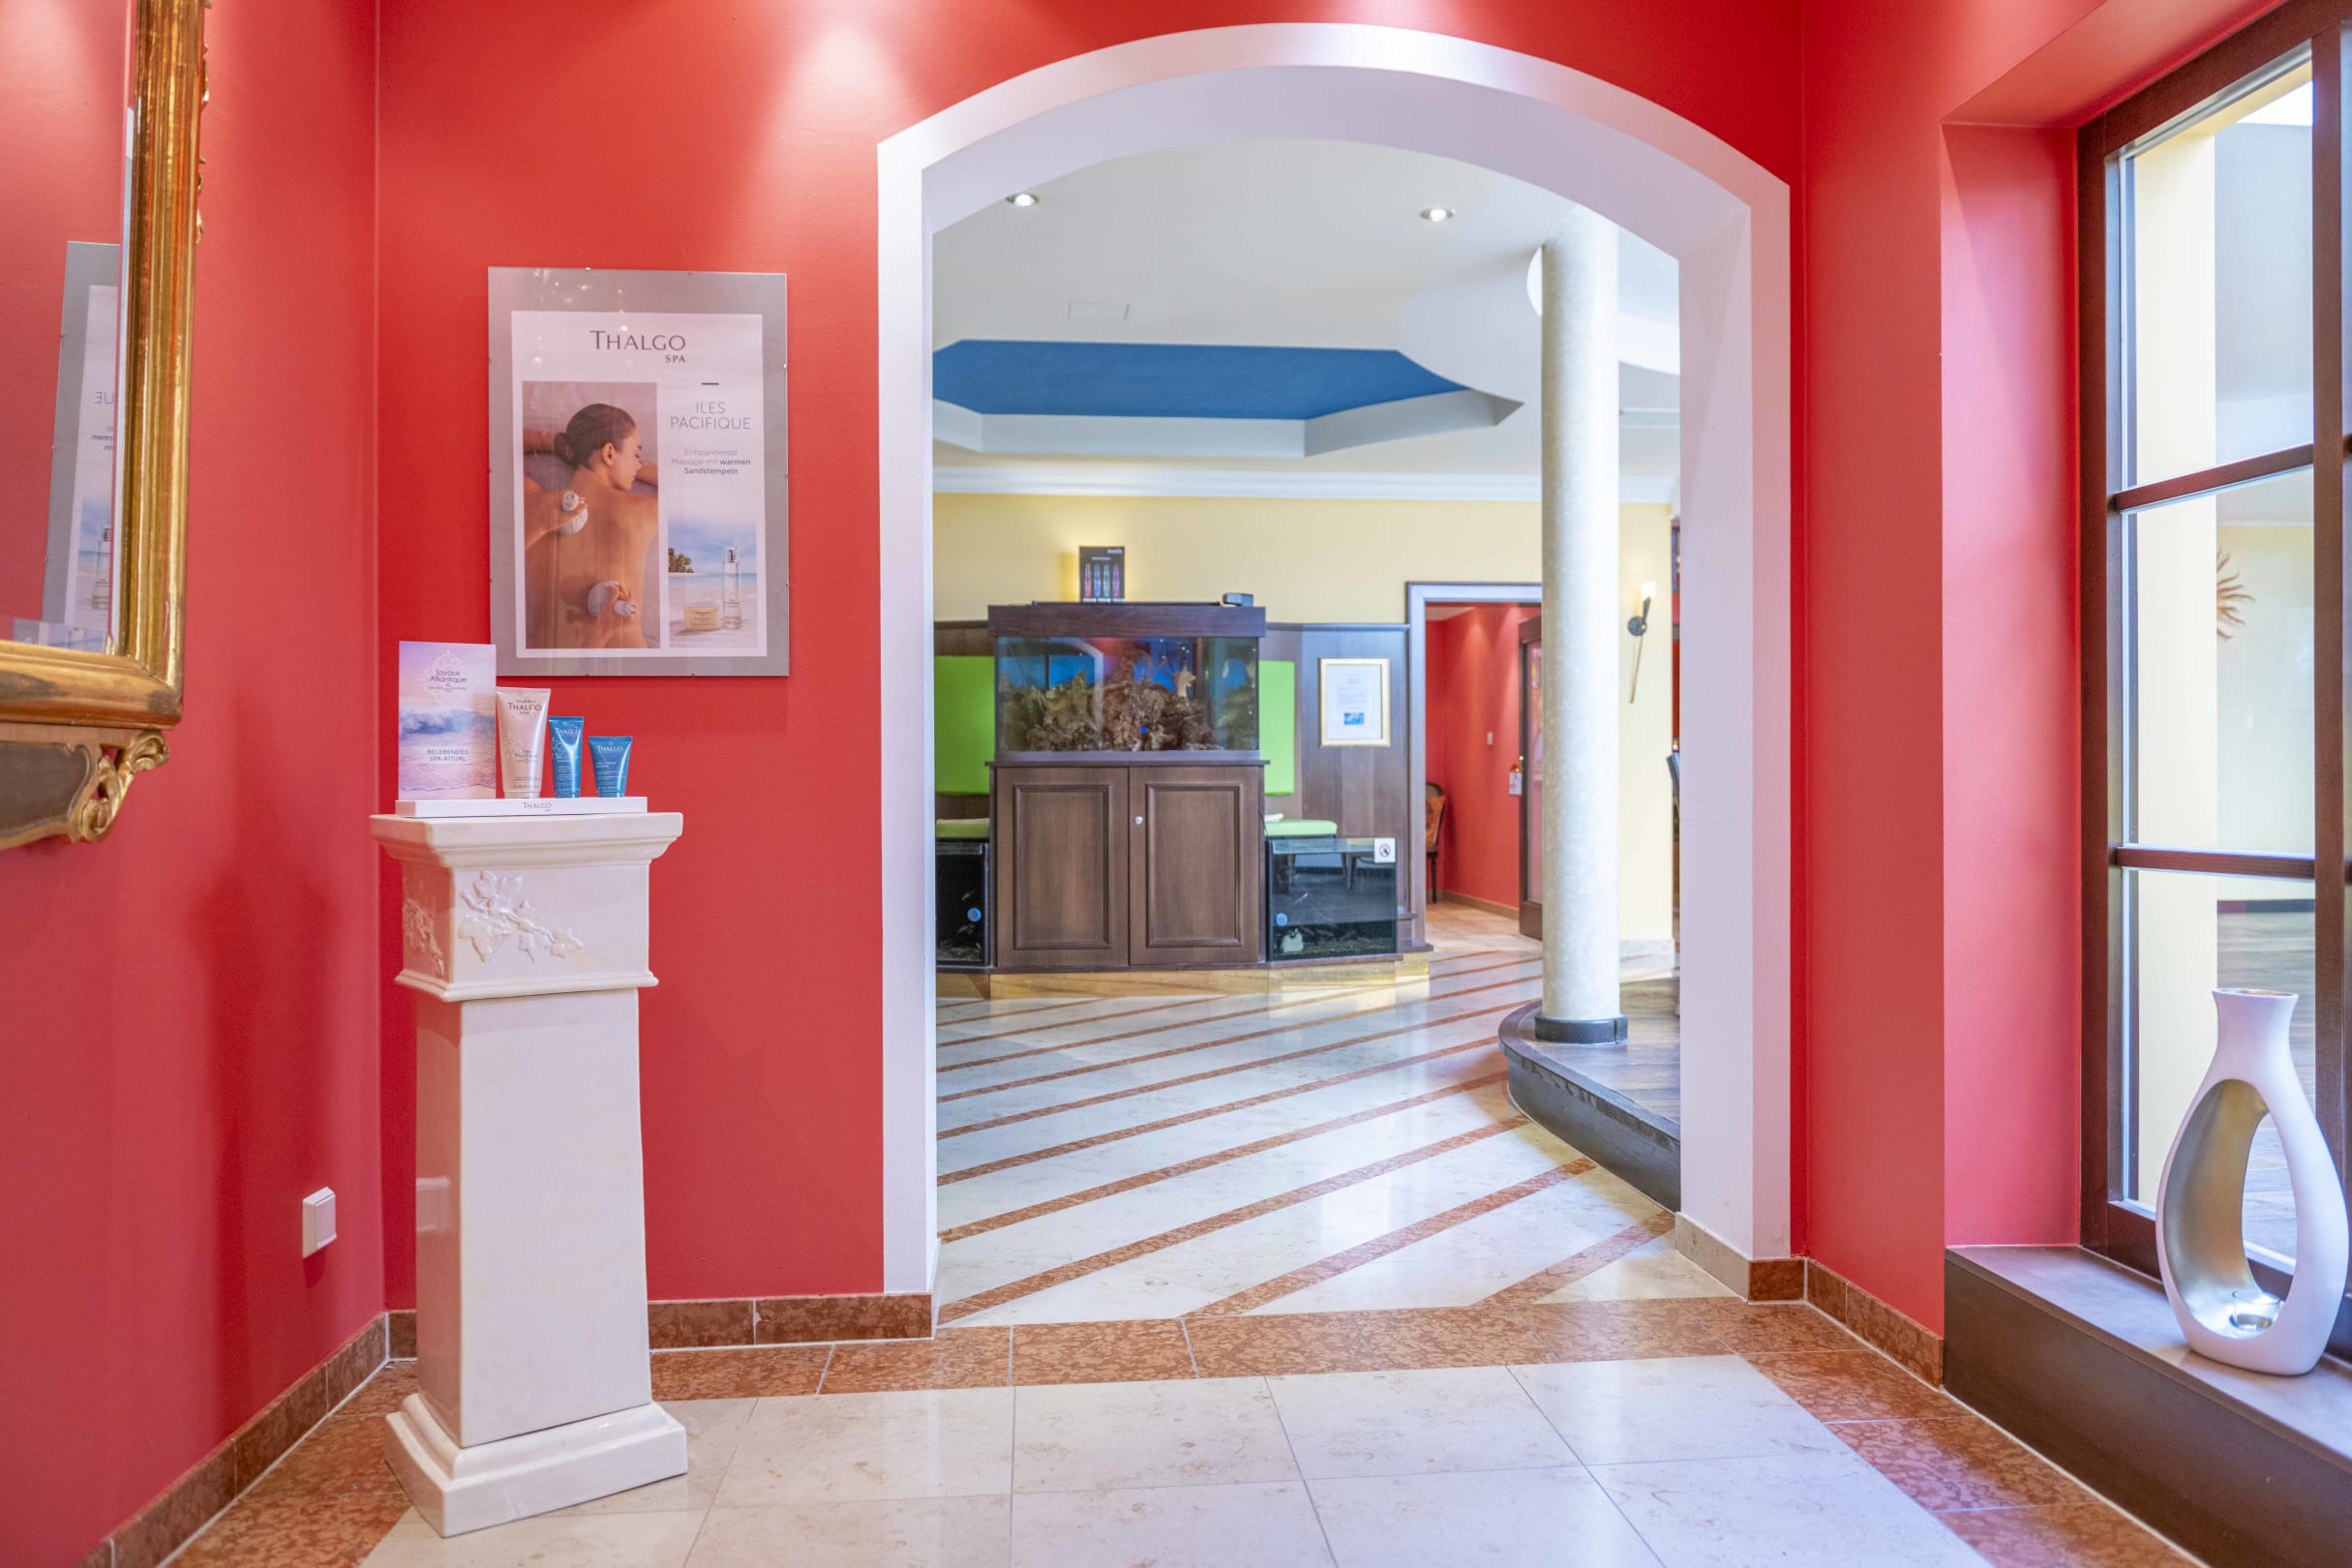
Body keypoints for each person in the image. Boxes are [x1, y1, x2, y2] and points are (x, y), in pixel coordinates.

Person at [521, 404, 659, 649]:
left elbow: (491, 447)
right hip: (629, 664)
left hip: (552, 662)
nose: (638, 465)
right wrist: (630, 466)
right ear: (609, 452)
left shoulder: (534, 504)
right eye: (636, 454)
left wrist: (559, 445)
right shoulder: (643, 510)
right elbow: (692, 484)